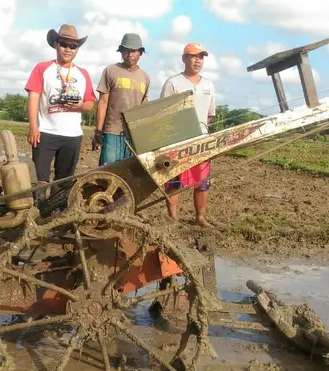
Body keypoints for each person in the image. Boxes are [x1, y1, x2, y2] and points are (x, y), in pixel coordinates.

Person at [24, 24, 96, 199]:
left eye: (73, 46)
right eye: (64, 44)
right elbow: (33, 99)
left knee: (64, 181)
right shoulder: (42, 68)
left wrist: (79, 106)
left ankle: (55, 216)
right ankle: (38, 212)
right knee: (40, 178)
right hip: (45, 133)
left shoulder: (83, 74)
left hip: (72, 135)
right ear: (56, 44)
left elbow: (90, 104)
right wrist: (33, 127)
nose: (68, 49)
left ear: (77, 49)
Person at [159, 42, 216, 227]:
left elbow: (209, 115)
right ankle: (173, 219)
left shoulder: (209, 85)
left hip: (202, 141)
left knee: (202, 181)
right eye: (193, 56)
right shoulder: (173, 83)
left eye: (201, 57)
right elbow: (164, 113)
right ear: (184, 58)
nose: (198, 61)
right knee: (174, 182)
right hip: (177, 141)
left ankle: (200, 217)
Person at [93, 33, 151, 165]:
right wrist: (98, 131)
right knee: (107, 172)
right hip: (112, 131)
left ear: (140, 53)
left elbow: (143, 106)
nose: (129, 54)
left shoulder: (145, 77)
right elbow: (103, 102)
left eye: (133, 51)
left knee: (128, 175)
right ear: (121, 51)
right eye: (126, 50)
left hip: (133, 134)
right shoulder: (111, 71)